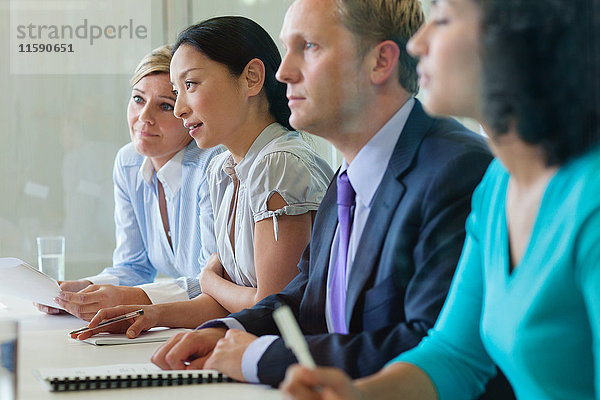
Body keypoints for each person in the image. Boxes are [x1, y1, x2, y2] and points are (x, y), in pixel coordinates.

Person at [148, 0, 503, 393]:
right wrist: (227, 330)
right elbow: (305, 294)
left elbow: (426, 346)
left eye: (309, 47)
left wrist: (258, 357)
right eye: (288, 49)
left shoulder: (456, 169)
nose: (283, 73)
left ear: (380, 62)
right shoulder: (348, 175)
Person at [280, 0, 600, 398]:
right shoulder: (500, 183)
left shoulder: (590, 200)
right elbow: (455, 354)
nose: (417, 44)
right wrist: (358, 394)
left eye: (443, 20)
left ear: (524, 37)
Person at [71, 16, 333, 337]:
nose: (180, 108)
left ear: (251, 78)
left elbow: (270, 308)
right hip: (250, 343)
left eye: (190, 85)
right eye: (178, 91)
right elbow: (225, 302)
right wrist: (148, 315)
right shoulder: (221, 170)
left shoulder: (278, 164)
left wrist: (209, 280)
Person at [39, 45, 223, 321]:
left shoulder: (213, 165)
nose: (144, 118)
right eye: (138, 99)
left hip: (211, 323)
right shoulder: (129, 162)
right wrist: (84, 289)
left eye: (164, 106)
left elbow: (211, 282)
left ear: (188, 112)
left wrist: (131, 298)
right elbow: (133, 266)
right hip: (178, 322)